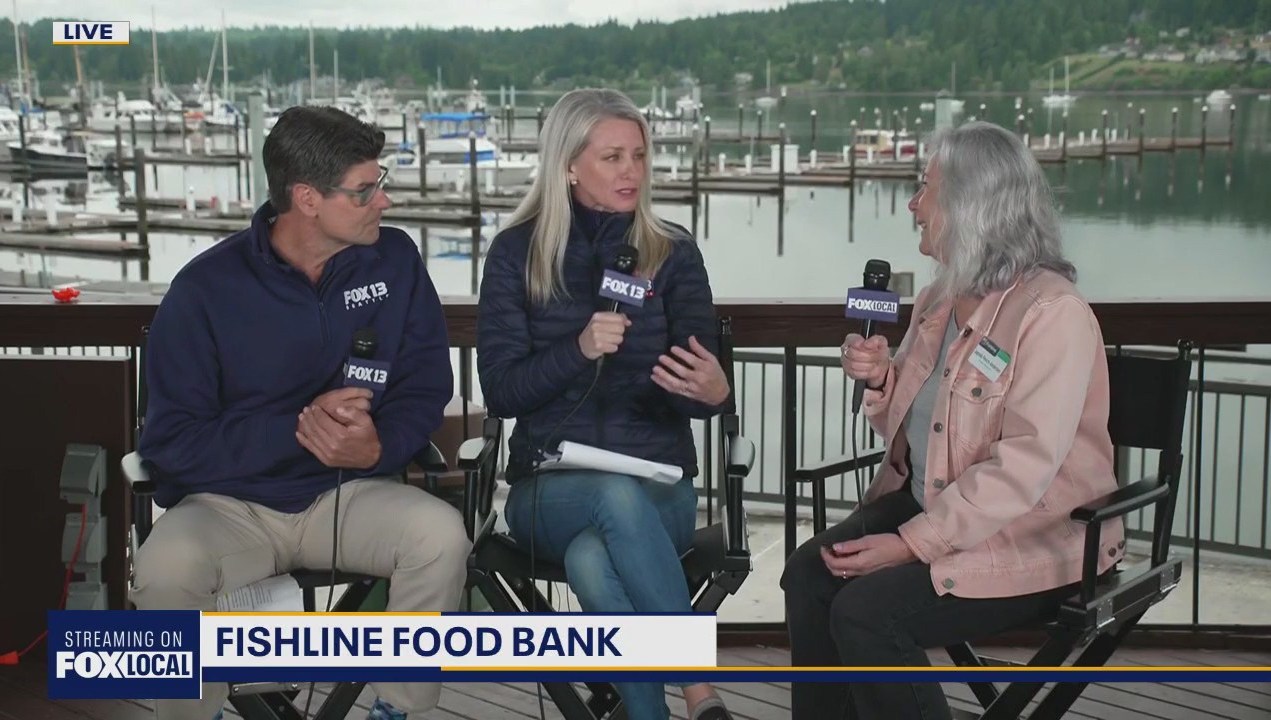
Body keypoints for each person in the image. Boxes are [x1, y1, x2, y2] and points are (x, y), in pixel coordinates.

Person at [131, 106, 471, 720]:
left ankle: (398, 709)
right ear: (307, 198)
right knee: (163, 569)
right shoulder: (204, 289)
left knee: (440, 536)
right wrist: (298, 429)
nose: (384, 201)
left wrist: (378, 445)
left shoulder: (395, 261)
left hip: (350, 493)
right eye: (364, 190)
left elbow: (425, 385)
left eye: (380, 182)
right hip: (227, 507)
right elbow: (172, 442)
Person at [780, 121, 1125, 720]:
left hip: (1036, 536)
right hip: (936, 505)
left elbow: (1023, 468)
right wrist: (882, 380)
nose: (913, 205)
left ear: (971, 205)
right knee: (808, 575)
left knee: (865, 616)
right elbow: (920, 432)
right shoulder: (938, 300)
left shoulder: (1053, 313)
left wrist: (910, 544)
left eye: (925, 188)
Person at [476, 88, 735, 720]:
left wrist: (714, 393)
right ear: (568, 164)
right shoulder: (516, 253)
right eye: (612, 157)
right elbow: (502, 392)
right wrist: (579, 349)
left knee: (593, 561)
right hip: (547, 490)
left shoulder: (672, 251)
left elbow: (701, 388)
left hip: (660, 488)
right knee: (609, 500)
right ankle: (699, 689)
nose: (631, 171)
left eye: (639, 156)